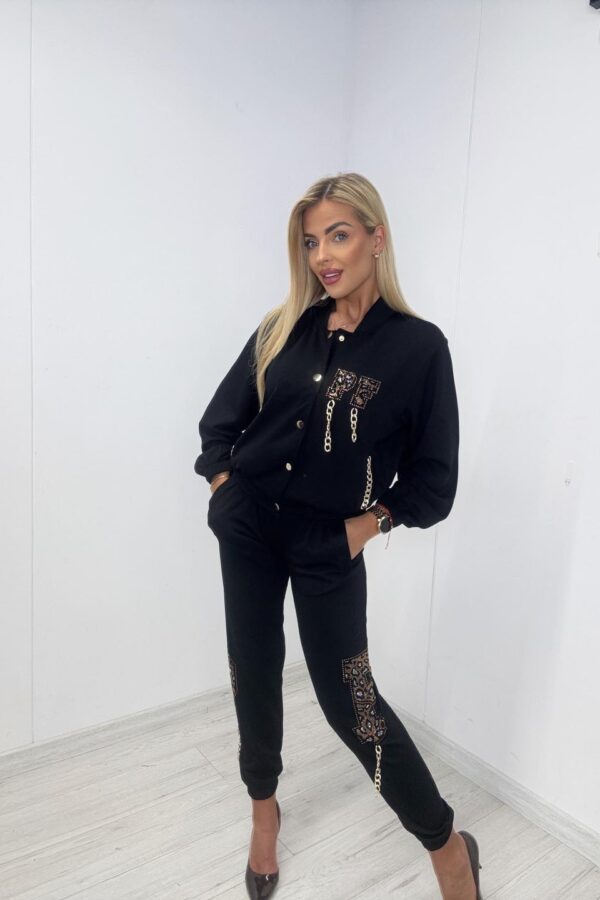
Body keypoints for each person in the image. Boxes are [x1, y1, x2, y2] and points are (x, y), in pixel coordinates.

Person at [194, 172, 483, 900]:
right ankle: (264, 813)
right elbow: (220, 422)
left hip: (329, 544)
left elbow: (434, 482)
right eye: (311, 241)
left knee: (352, 704)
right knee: (253, 672)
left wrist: (366, 525)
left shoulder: (419, 349)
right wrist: (225, 490)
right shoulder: (284, 325)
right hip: (249, 529)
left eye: (339, 235)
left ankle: (447, 847)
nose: (322, 255)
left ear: (377, 239)